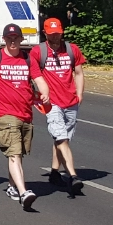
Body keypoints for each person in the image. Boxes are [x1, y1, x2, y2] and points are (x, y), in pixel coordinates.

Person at [0, 23, 51, 211]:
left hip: (25, 114)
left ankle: (12, 187)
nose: (12, 41)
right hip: (4, 113)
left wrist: (45, 93)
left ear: (21, 39)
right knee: (14, 154)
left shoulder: (28, 59)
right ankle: (23, 192)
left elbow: (39, 79)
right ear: (4, 39)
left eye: (16, 37)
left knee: (19, 154)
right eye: (9, 38)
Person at [35, 17, 87, 196]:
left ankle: (55, 173)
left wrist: (79, 93)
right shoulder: (39, 52)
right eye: (51, 34)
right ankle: (72, 176)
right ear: (45, 33)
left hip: (71, 101)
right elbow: (31, 75)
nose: (55, 37)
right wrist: (37, 97)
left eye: (58, 34)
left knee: (62, 138)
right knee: (61, 138)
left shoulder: (72, 50)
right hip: (52, 103)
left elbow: (79, 72)